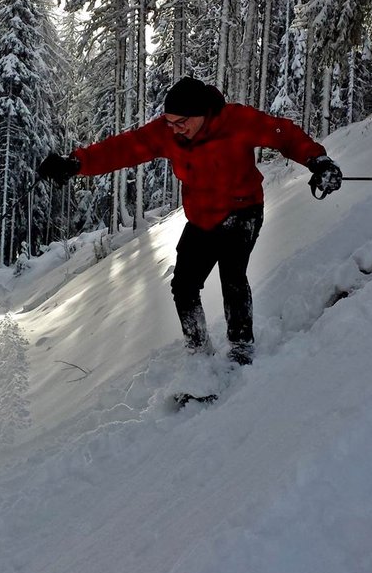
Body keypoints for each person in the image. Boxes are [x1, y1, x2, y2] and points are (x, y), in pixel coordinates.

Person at [38, 76, 342, 365]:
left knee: (233, 277)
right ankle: (197, 350)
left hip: (243, 210)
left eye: (181, 122)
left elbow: (283, 134)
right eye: (170, 123)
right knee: (183, 285)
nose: (175, 129)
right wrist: (76, 163)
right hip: (201, 216)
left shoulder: (236, 121)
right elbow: (124, 148)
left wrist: (318, 161)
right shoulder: (169, 132)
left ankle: (240, 346)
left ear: (203, 114)